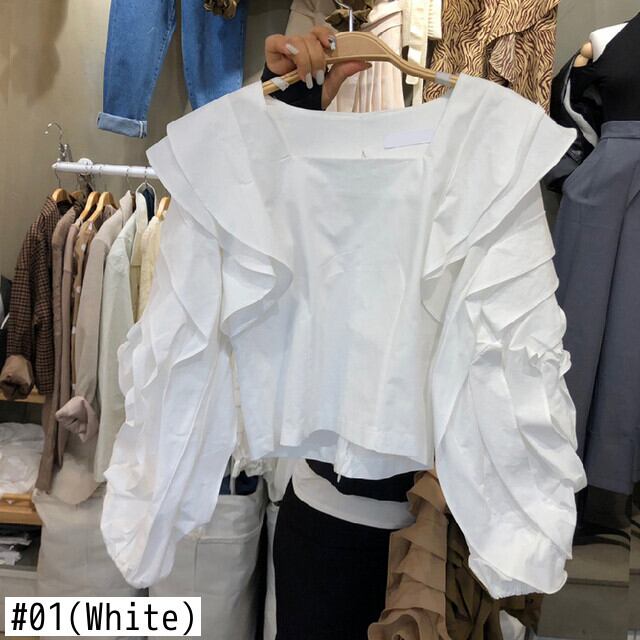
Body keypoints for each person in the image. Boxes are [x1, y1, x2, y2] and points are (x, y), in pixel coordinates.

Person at [262, 26, 416, 640]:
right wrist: (297, 96)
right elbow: (262, 206)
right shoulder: (318, 180)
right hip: (331, 524)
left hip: (443, 532)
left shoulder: (479, 141)